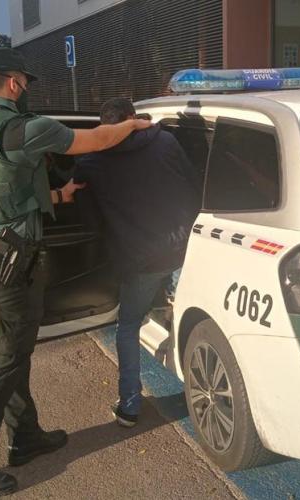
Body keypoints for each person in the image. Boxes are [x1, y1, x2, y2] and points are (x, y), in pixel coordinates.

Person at [0, 48, 151, 497]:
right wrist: (132, 126)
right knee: (5, 359)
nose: (26, 90)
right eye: (25, 83)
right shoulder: (26, 128)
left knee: (14, 350)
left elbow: (0, 190)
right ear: (14, 83)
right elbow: (98, 139)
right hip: (12, 259)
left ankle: (25, 436)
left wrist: (59, 196)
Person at [74, 98, 200, 428]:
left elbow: (89, 220)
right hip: (184, 248)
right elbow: (192, 183)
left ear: (103, 127)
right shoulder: (166, 141)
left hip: (139, 259)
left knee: (129, 326)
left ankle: (129, 405)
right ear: (134, 118)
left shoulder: (90, 161)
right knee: (194, 319)